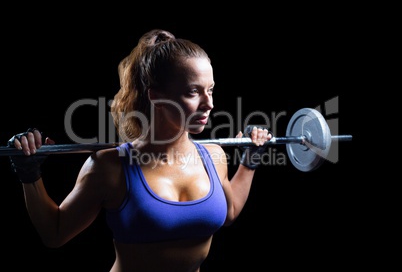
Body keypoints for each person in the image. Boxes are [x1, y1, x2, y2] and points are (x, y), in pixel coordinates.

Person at [7, 29, 271, 272]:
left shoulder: (214, 156)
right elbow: (55, 233)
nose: (209, 103)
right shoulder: (109, 166)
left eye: (210, 90)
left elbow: (230, 211)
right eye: (193, 92)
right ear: (155, 95)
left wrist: (250, 162)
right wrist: (29, 173)